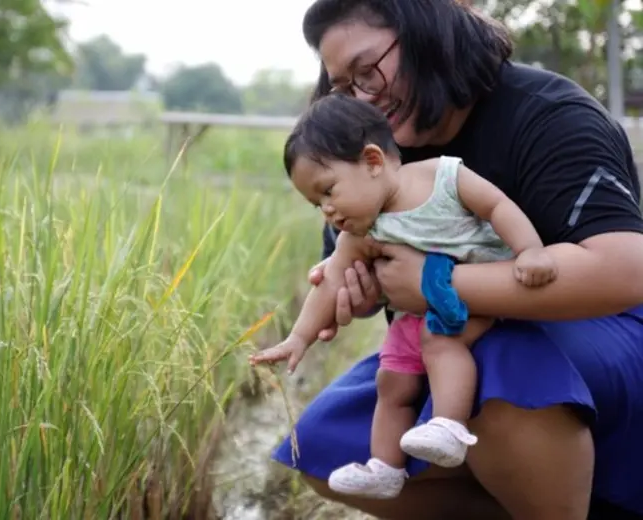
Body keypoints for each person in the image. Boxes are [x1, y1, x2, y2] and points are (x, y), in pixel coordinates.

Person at [269, 1, 643, 519]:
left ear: (429, 33)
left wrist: (437, 282)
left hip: (601, 332)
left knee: (496, 372)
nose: (364, 97)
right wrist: (355, 292)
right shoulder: (376, 152)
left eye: (368, 70)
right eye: (344, 86)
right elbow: (356, 268)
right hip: (447, 339)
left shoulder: (550, 115)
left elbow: (627, 270)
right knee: (321, 447)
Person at [250, 93, 557, 499]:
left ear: (373, 161)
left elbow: (498, 207)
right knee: (390, 382)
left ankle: (449, 425)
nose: (326, 209)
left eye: (328, 191)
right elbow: (330, 281)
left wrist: (530, 251)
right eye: (315, 204)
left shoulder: (442, 178)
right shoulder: (359, 233)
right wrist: (298, 338)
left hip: (476, 294)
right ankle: (385, 467)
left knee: (439, 341)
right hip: (414, 313)